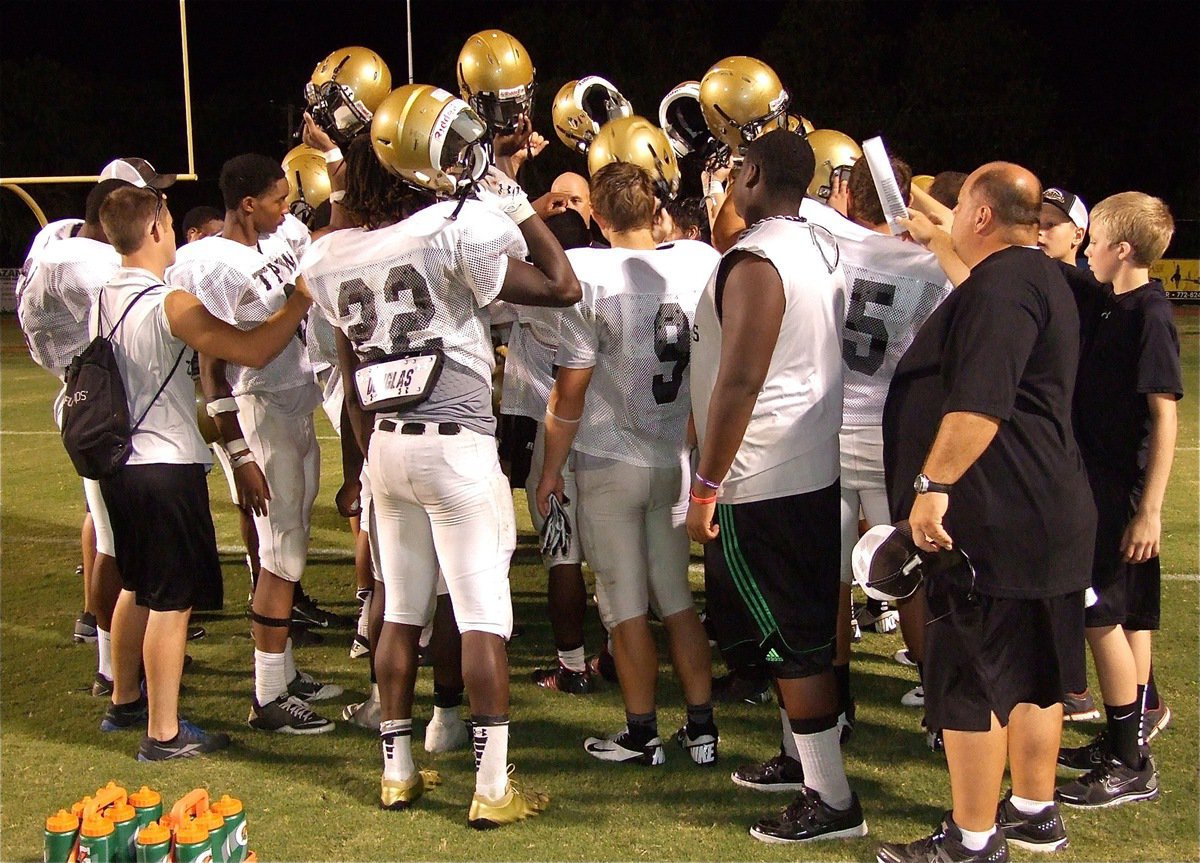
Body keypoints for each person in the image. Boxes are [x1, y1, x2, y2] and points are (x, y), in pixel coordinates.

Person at [300, 83, 579, 827]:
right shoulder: (449, 231)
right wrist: (514, 200)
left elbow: (354, 381)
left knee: (400, 611)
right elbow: (563, 282)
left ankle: (397, 772)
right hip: (455, 445)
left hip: (385, 448)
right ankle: (491, 787)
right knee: (483, 613)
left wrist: (360, 466)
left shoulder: (331, 253)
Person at [877, 163, 1096, 862]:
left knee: (970, 679)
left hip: (995, 513)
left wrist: (932, 482)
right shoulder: (1035, 275)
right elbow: (969, 263)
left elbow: (981, 400)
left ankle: (972, 839)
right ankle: (1034, 809)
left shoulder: (1004, 288)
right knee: (1035, 674)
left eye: (960, 210)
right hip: (1046, 505)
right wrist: (922, 208)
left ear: (979, 216)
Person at [686, 130, 865, 843]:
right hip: (806, 461)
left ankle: (832, 797)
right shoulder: (817, 242)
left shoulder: (760, 258)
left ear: (753, 173)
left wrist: (705, 485)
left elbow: (739, 378)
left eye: (734, 170)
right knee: (797, 630)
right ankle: (804, 762)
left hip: (764, 473)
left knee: (791, 641)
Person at [92, 184, 314, 759]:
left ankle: (124, 701)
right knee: (172, 600)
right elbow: (255, 349)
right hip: (164, 463)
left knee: (138, 586)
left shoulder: (104, 294)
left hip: (121, 465)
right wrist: (300, 301)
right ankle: (163, 733)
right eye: (165, 218)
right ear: (153, 230)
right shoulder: (165, 300)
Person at [536, 161, 720, 765]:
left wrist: (547, 470)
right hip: (672, 458)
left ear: (599, 215)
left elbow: (570, 392)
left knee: (622, 604)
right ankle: (701, 729)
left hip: (608, 459)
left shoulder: (589, 274)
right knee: (675, 598)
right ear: (657, 211)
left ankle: (643, 734)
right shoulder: (696, 264)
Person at [168, 153, 340, 734]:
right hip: (258, 411)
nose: (286, 209)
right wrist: (239, 455)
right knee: (278, 555)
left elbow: (321, 237)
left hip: (296, 407)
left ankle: (284, 673)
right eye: (275, 199)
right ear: (247, 204)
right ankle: (267, 696)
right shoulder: (209, 264)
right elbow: (215, 372)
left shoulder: (284, 235)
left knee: (292, 544)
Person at [1055, 192, 1179, 808]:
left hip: (1117, 491)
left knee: (1098, 613)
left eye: (1095, 241)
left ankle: (1131, 761)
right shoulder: (1107, 299)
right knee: (1117, 614)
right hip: (1094, 483)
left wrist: (1149, 508)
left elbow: (1164, 416)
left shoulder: (1150, 314)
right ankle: (1120, 739)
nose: (1086, 250)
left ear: (1122, 250)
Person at [16, 178, 128, 696]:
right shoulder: (87, 263)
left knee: (108, 531)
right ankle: (112, 668)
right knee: (115, 541)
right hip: (101, 402)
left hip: (81, 394)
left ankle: (115, 650)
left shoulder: (57, 245)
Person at [1038, 187, 1089, 266]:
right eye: (1036, 224)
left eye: (1050, 224)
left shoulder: (1092, 277)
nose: (1038, 232)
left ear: (1077, 236)